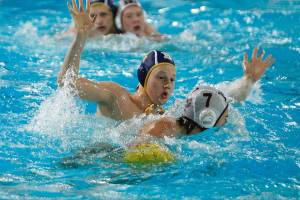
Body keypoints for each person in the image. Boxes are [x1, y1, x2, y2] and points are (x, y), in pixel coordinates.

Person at [58, 0, 274, 121]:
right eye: (161, 77)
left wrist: (248, 81)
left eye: (172, 79)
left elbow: (223, 98)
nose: (168, 84)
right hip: (92, 162)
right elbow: (67, 83)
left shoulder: (167, 115)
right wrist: (81, 37)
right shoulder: (116, 97)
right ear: (143, 78)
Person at [139, 85, 229, 138]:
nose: (226, 121)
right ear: (209, 118)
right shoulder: (164, 127)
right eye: (225, 117)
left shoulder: (182, 132)